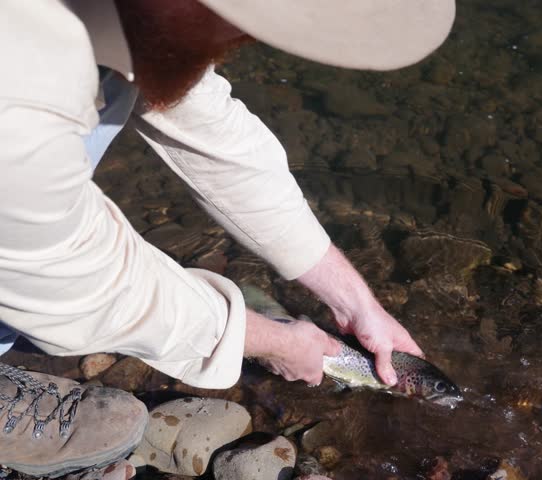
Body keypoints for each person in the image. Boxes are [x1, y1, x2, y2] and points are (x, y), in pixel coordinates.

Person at [0, 0, 456, 478]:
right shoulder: (22, 93)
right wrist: (271, 342)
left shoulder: (137, 21)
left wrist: (357, 304)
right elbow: (80, 279)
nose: (247, 41)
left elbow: (217, 138)